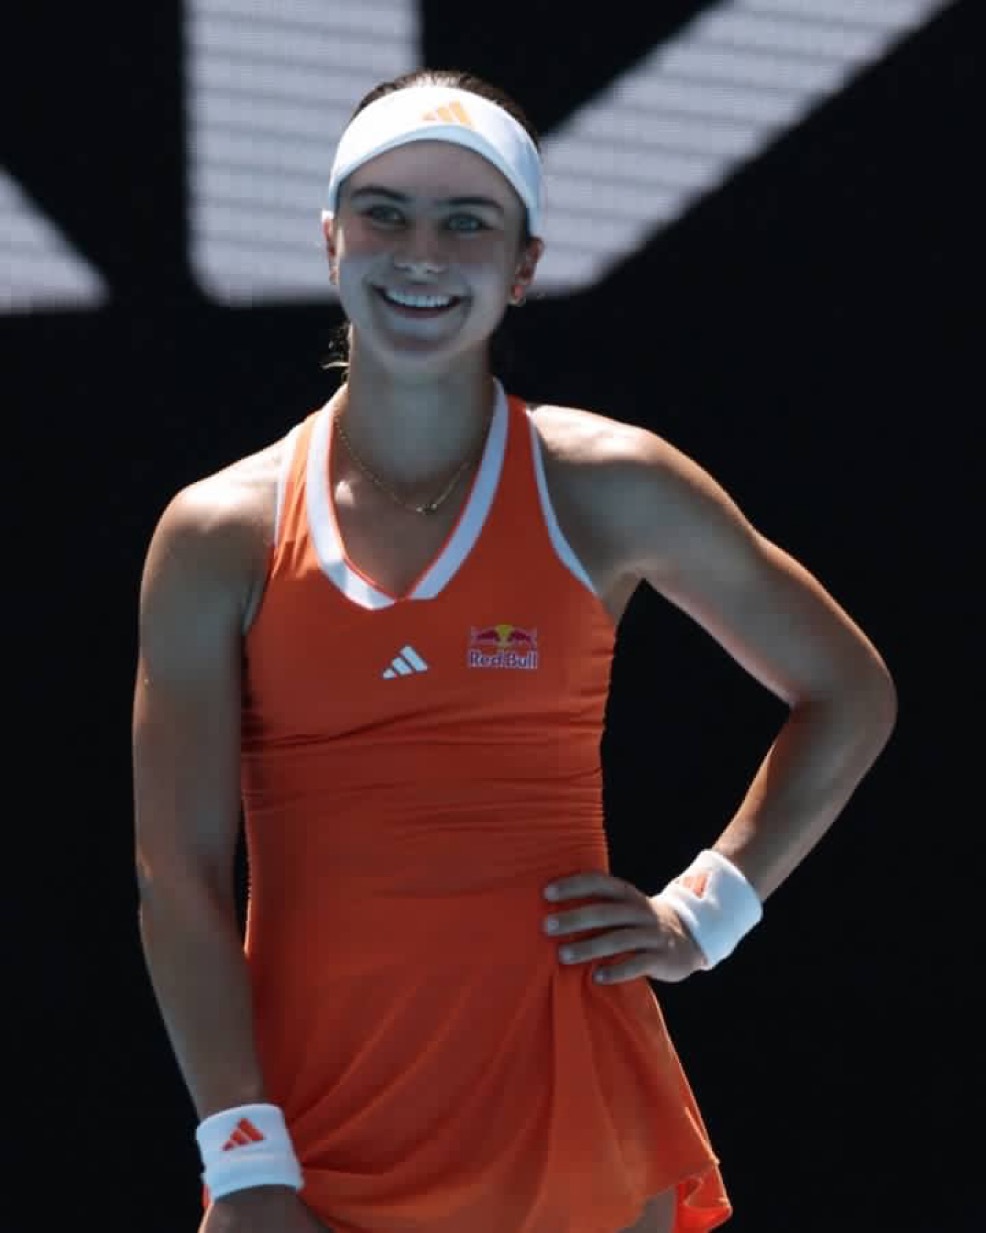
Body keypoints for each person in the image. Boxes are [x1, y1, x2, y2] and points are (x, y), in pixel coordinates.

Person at [131, 68, 897, 1233]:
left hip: (579, 1119)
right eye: (383, 212)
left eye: (466, 222)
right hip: (313, 1139)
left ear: (523, 265)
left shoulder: (610, 485)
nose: (420, 253)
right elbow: (175, 875)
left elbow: (846, 691)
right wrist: (242, 1156)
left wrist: (704, 912)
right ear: (330, 241)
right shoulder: (218, 534)